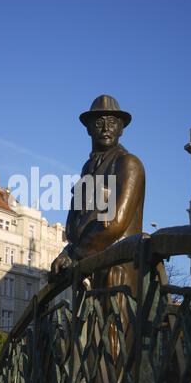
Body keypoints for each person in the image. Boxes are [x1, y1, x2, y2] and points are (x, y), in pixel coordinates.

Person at [51, 94, 145, 297]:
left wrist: (74, 254)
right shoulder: (87, 169)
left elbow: (113, 221)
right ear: (88, 128)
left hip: (118, 273)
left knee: (117, 328)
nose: (105, 129)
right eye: (99, 122)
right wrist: (67, 252)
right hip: (94, 274)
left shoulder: (128, 164)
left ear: (121, 128)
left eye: (112, 123)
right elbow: (76, 225)